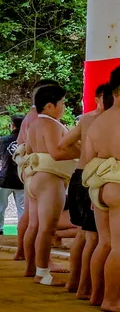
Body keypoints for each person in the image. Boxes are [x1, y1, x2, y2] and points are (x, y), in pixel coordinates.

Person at [19, 84, 77, 286]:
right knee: (46, 229)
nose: (64, 107)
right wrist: (85, 151)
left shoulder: (34, 124)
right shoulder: (50, 125)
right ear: (50, 106)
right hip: (49, 179)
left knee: (35, 226)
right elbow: (56, 153)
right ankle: (42, 273)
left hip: (35, 179)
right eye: (62, 103)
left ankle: (32, 267)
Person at [64, 83, 112, 297]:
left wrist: (80, 152)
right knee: (96, 239)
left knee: (84, 236)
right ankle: (87, 288)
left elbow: (60, 147)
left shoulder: (87, 120)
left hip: (82, 176)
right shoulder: (104, 120)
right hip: (96, 180)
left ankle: (76, 283)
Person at [85, 66, 120, 312]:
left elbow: (88, 160)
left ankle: (96, 295)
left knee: (104, 243)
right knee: (118, 247)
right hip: (118, 186)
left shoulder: (97, 122)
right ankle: (111, 300)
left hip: (98, 187)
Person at [14, 78, 60, 262]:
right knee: (41, 223)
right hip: (40, 170)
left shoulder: (30, 117)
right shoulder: (42, 120)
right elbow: (55, 151)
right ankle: (42, 264)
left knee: (32, 219)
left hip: (30, 169)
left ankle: (28, 259)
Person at [0, 115, 25, 235]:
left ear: (13, 125)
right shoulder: (27, 140)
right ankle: (22, 231)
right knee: (23, 208)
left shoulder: (4, 140)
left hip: (4, 178)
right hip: (22, 179)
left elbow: (0, 160)